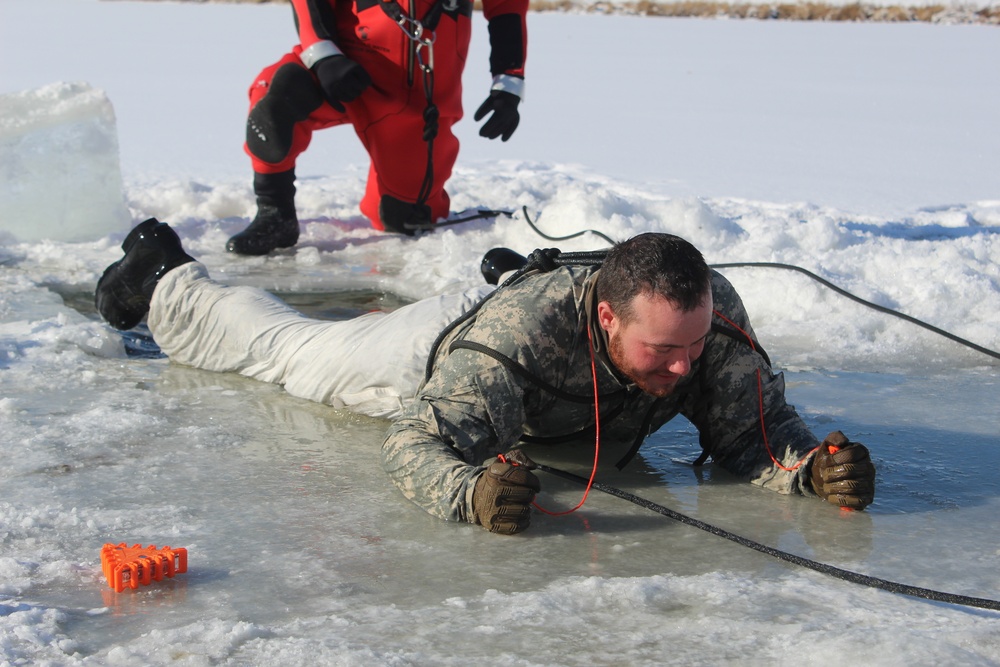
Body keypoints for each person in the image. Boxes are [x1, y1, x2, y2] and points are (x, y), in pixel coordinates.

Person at [95, 220, 877, 534]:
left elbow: (754, 433)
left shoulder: (708, 321)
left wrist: (813, 471)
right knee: (288, 353)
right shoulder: (520, 339)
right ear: (609, 319)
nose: (686, 364)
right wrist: (469, 493)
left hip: (521, 340)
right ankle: (166, 275)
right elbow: (416, 440)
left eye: (693, 344)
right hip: (433, 348)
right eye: (663, 351)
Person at [227, 0, 528, 256]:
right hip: (344, 66)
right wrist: (323, 55)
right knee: (275, 97)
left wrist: (509, 81)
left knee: (403, 220)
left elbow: (506, 7)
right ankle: (274, 213)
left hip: (416, 99)